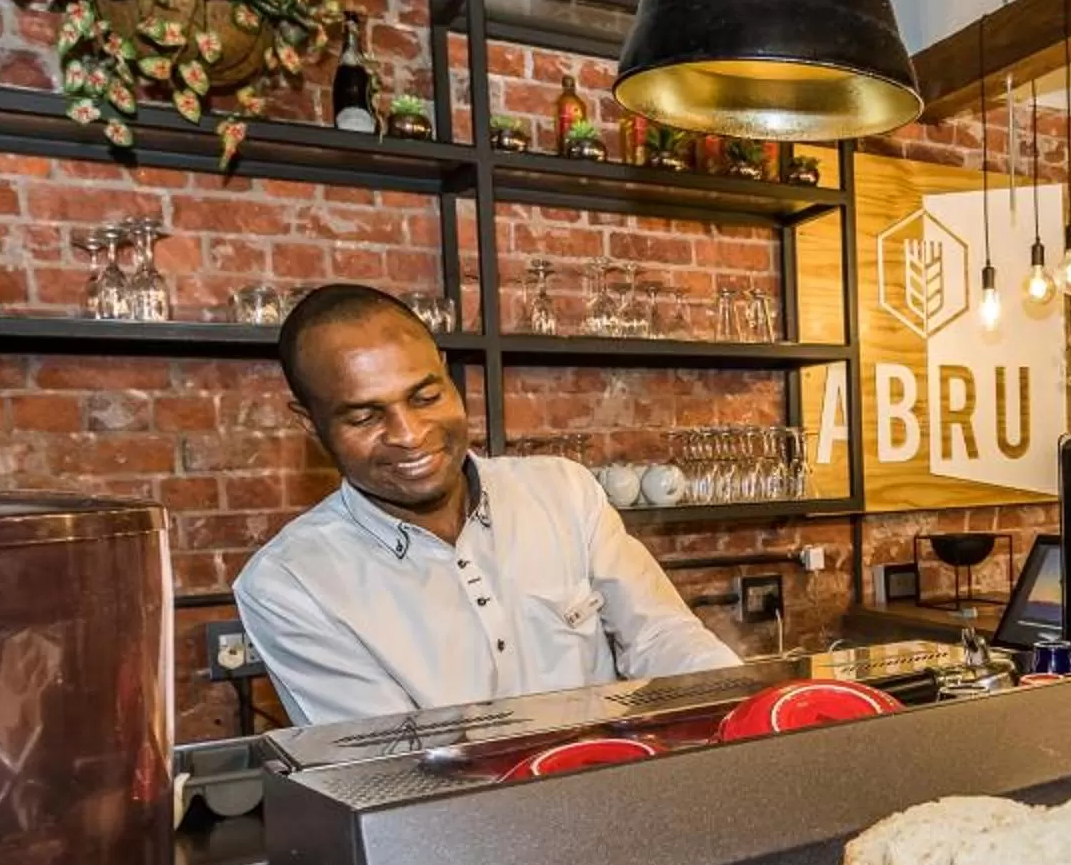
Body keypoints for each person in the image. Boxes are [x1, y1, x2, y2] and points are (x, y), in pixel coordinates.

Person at [233, 284, 738, 725]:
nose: (409, 435)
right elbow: (390, 767)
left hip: (620, 800)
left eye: (426, 397)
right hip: (457, 830)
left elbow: (661, 638)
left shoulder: (563, 491)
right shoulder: (291, 584)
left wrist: (751, 718)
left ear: (447, 376)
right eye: (365, 417)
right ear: (309, 422)